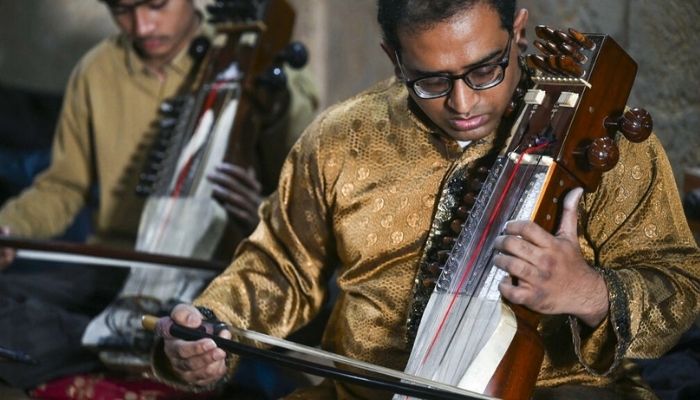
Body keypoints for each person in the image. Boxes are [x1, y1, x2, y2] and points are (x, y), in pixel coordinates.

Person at [156, 0, 700, 399]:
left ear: (518, 29)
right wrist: (210, 325)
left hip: (554, 393)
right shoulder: (341, 139)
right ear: (393, 57)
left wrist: (588, 292)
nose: (463, 103)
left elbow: (680, 286)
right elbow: (279, 266)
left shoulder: (599, 140)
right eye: (430, 80)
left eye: (487, 68)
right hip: (362, 391)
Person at [0, 0, 317, 392]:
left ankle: (122, 338)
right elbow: (62, 186)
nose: (142, 26)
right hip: (113, 267)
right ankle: (127, 337)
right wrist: (11, 226)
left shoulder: (264, 67)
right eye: (123, 11)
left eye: (156, 5)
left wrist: (258, 209)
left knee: (222, 332)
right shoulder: (98, 70)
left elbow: (306, 208)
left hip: (212, 274)